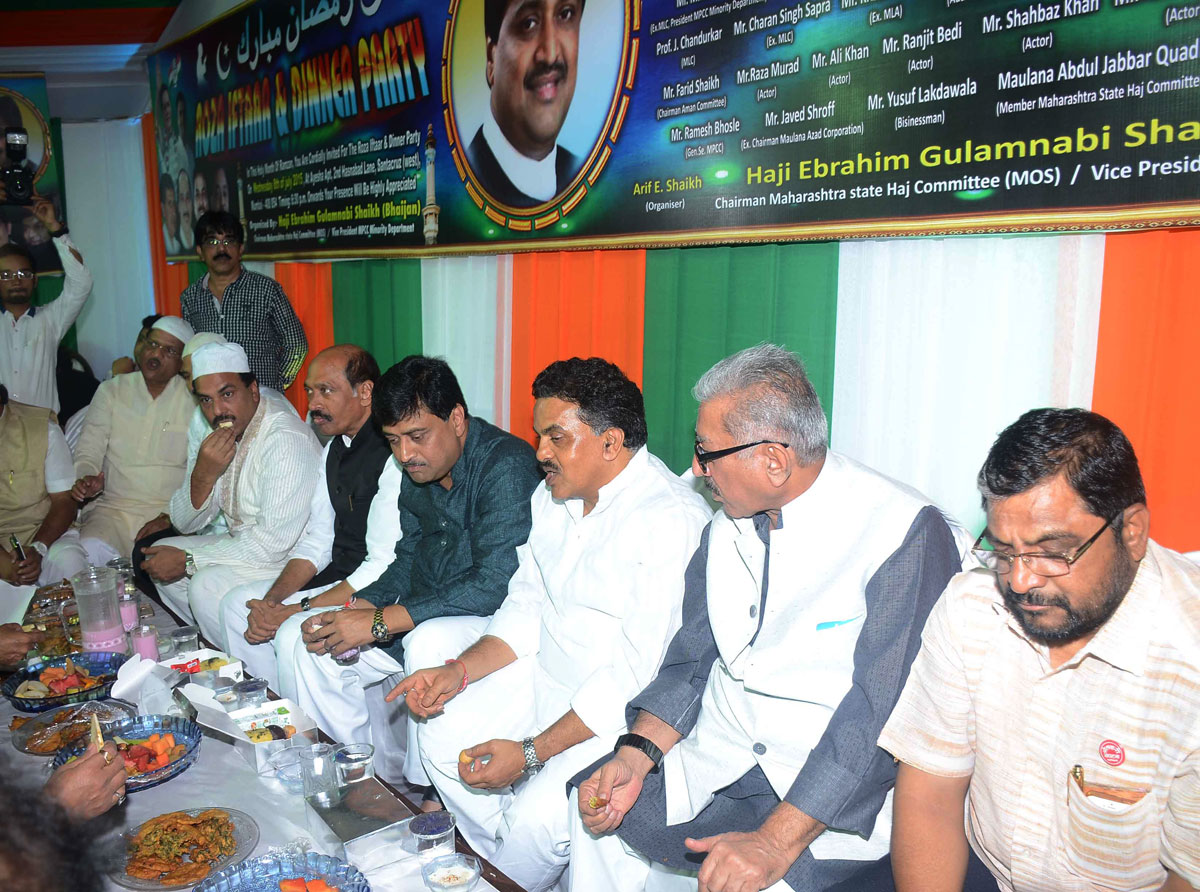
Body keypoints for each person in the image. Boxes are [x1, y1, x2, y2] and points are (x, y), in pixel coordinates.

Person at [570, 344, 968, 892]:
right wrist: (636, 753)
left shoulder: (901, 534)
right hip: (723, 755)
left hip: (830, 792)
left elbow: (879, 716)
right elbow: (691, 662)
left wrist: (774, 841)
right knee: (594, 803)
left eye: (705, 452)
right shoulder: (723, 526)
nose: (695, 468)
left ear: (774, 462)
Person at [393, 357, 712, 892]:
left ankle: (513, 861)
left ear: (610, 444)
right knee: (441, 734)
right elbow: (524, 607)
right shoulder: (552, 497)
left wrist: (533, 753)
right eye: (539, 435)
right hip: (544, 680)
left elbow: (635, 679)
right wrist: (457, 672)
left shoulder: (669, 521)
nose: (539, 452)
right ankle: (513, 861)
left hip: (617, 720)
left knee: (538, 822)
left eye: (555, 438)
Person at [879, 408, 1200, 892]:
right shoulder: (972, 607)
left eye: (1052, 552)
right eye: (1005, 552)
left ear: (1131, 532)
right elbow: (930, 798)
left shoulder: (1187, 658)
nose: (1022, 581)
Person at [285, 356, 541, 766]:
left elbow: (495, 583)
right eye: (392, 440)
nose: (404, 454)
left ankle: (430, 791)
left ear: (456, 419)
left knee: (428, 639)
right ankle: (353, 775)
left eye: (417, 436)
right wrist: (358, 608)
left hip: (485, 620)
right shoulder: (416, 469)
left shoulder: (505, 466)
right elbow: (407, 558)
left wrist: (383, 620)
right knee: (311, 642)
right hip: (416, 610)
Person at [218, 344, 399, 691]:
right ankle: (271, 712)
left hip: (374, 587)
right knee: (239, 607)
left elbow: (383, 563)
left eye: (326, 391)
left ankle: (320, 736)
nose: (313, 404)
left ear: (365, 392)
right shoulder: (333, 449)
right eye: (310, 392)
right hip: (338, 576)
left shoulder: (392, 452)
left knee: (291, 630)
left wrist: (296, 609)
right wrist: (273, 602)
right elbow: (318, 540)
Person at [141, 341, 321, 642]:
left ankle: (251, 666)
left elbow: (273, 544)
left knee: (203, 582)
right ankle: (220, 645)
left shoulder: (284, 438)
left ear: (253, 391)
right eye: (206, 400)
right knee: (162, 555)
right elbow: (184, 522)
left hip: (291, 556)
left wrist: (189, 561)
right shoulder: (226, 432)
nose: (217, 410)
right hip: (247, 542)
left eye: (227, 394)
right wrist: (204, 474)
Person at [71, 316, 195, 565]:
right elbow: (88, 450)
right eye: (152, 344)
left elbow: (201, 473)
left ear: (182, 361)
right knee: (89, 551)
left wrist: (171, 518)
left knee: (160, 568)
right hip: (112, 509)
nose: (155, 354)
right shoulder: (112, 390)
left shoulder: (193, 400)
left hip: (165, 512)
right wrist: (86, 478)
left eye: (168, 350)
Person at [465, 0, 583, 207]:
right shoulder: (460, 195)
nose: (550, 53)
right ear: (491, 58)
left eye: (565, 14)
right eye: (528, 23)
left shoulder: (582, 172)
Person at [180, 211, 308, 391]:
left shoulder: (266, 290)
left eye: (229, 241)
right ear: (200, 252)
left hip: (262, 400)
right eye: (212, 242)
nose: (221, 249)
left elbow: (296, 344)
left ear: (240, 249)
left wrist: (276, 385)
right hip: (215, 402)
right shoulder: (190, 298)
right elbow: (191, 354)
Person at [0, 382, 88, 614]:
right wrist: (5, 566)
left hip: (46, 535)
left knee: (70, 565)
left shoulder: (40, 429)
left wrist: (38, 548)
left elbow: (64, 501)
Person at [0, 193, 92, 414]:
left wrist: (55, 228)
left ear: (35, 280)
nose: (16, 280)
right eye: (6, 275)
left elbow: (81, 282)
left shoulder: (50, 319)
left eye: (23, 273)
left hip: (44, 432)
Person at [160, 174, 181, 254]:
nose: (174, 211)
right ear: (162, 209)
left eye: (174, 203)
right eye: (169, 204)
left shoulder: (177, 245)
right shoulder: (161, 242)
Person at [176, 168, 194, 251]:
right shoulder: (176, 241)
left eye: (188, 197)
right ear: (178, 206)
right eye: (181, 198)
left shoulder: (199, 237)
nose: (186, 204)